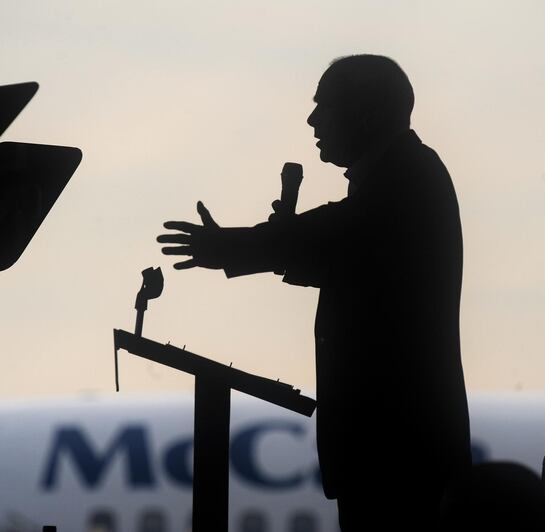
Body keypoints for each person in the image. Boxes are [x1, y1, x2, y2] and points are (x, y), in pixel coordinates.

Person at [158, 54, 470, 530]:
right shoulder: (402, 179)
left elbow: (336, 237)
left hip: (397, 452)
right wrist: (262, 245)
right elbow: (340, 253)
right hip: (396, 449)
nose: (313, 119)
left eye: (326, 105)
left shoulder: (404, 181)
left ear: (366, 113)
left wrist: (228, 246)